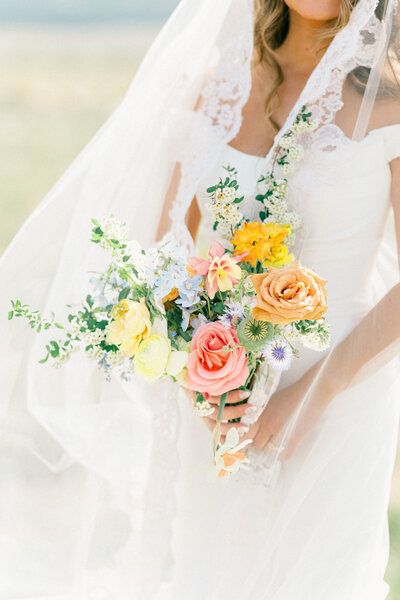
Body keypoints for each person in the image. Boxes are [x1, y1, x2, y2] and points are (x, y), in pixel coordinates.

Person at [1, 0, 400, 598]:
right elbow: (167, 259)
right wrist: (201, 374)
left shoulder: (390, 106)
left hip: (342, 399)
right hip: (220, 404)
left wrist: (313, 396)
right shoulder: (217, 87)